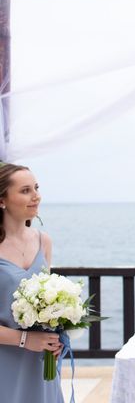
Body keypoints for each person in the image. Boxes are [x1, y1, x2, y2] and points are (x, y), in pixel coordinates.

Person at [0, 163, 64, 402]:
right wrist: (25, 340)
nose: (36, 196)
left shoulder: (43, 241)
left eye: (36, 187)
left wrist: (56, 336)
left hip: (40, 364)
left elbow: (47, 301)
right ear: (2, 200)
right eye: (25, 190)